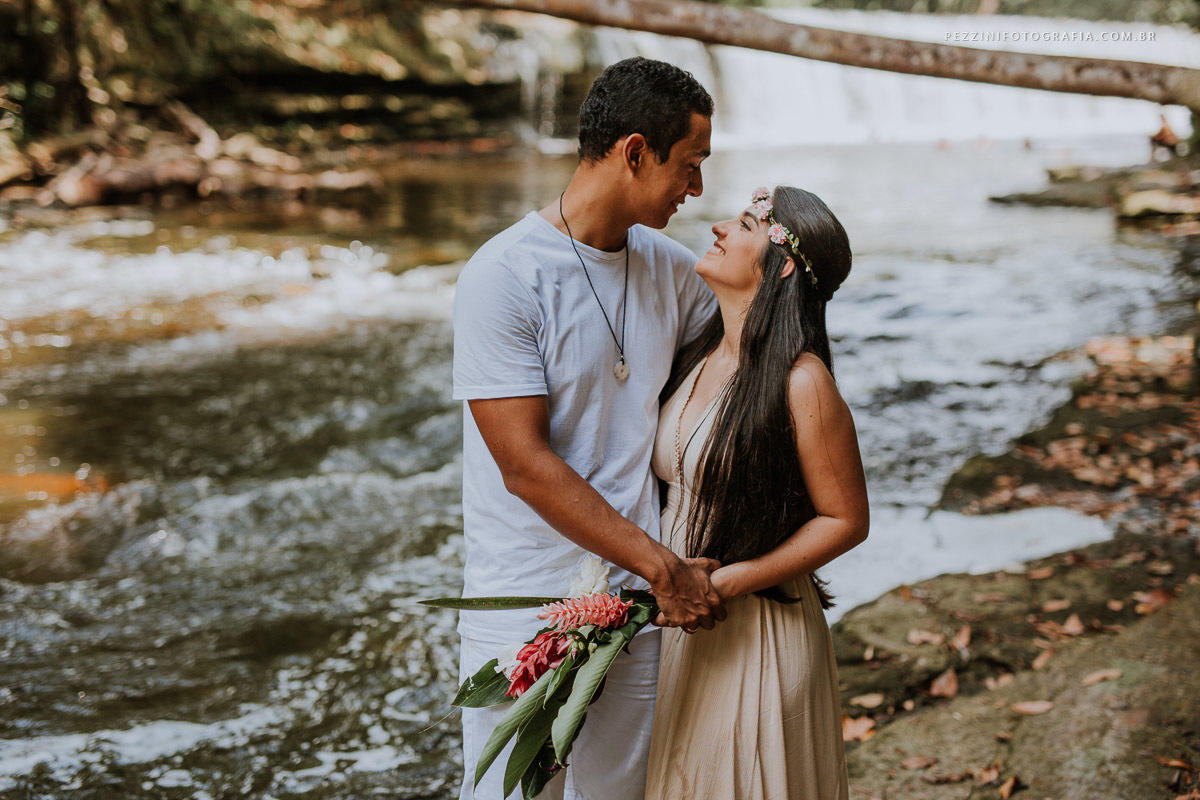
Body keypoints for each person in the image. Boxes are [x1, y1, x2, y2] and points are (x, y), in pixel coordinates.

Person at [451, 57, 727, 800]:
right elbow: (524, 465)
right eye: (690, 166)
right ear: (635, 152)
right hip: (527, 603)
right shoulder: (502, 277)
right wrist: (666, 568)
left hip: (637, 608)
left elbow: (742, 364)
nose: (697, 190)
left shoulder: (673, 273)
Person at [645, 186, 870, 799]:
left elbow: (845, 519)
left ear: (783, 264)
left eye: (743, 223)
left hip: (756, 629)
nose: (718, 226)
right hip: (686, 617)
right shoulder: (698, 351)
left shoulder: (804, 381)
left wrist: (733, 581)